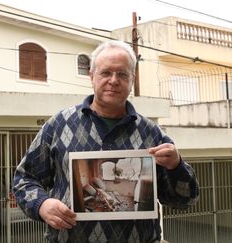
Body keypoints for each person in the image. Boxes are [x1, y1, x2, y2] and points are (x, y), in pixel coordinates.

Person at [12, 40, 199, 243]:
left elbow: (185, 200)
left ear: (132, 79)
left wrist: (176, 166)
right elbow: (24, 179)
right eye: (106, 73)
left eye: (122, 74)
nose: (114, 80)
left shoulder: (152, 133)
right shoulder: (59, 124)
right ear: (92, 76)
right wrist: (42, 204)